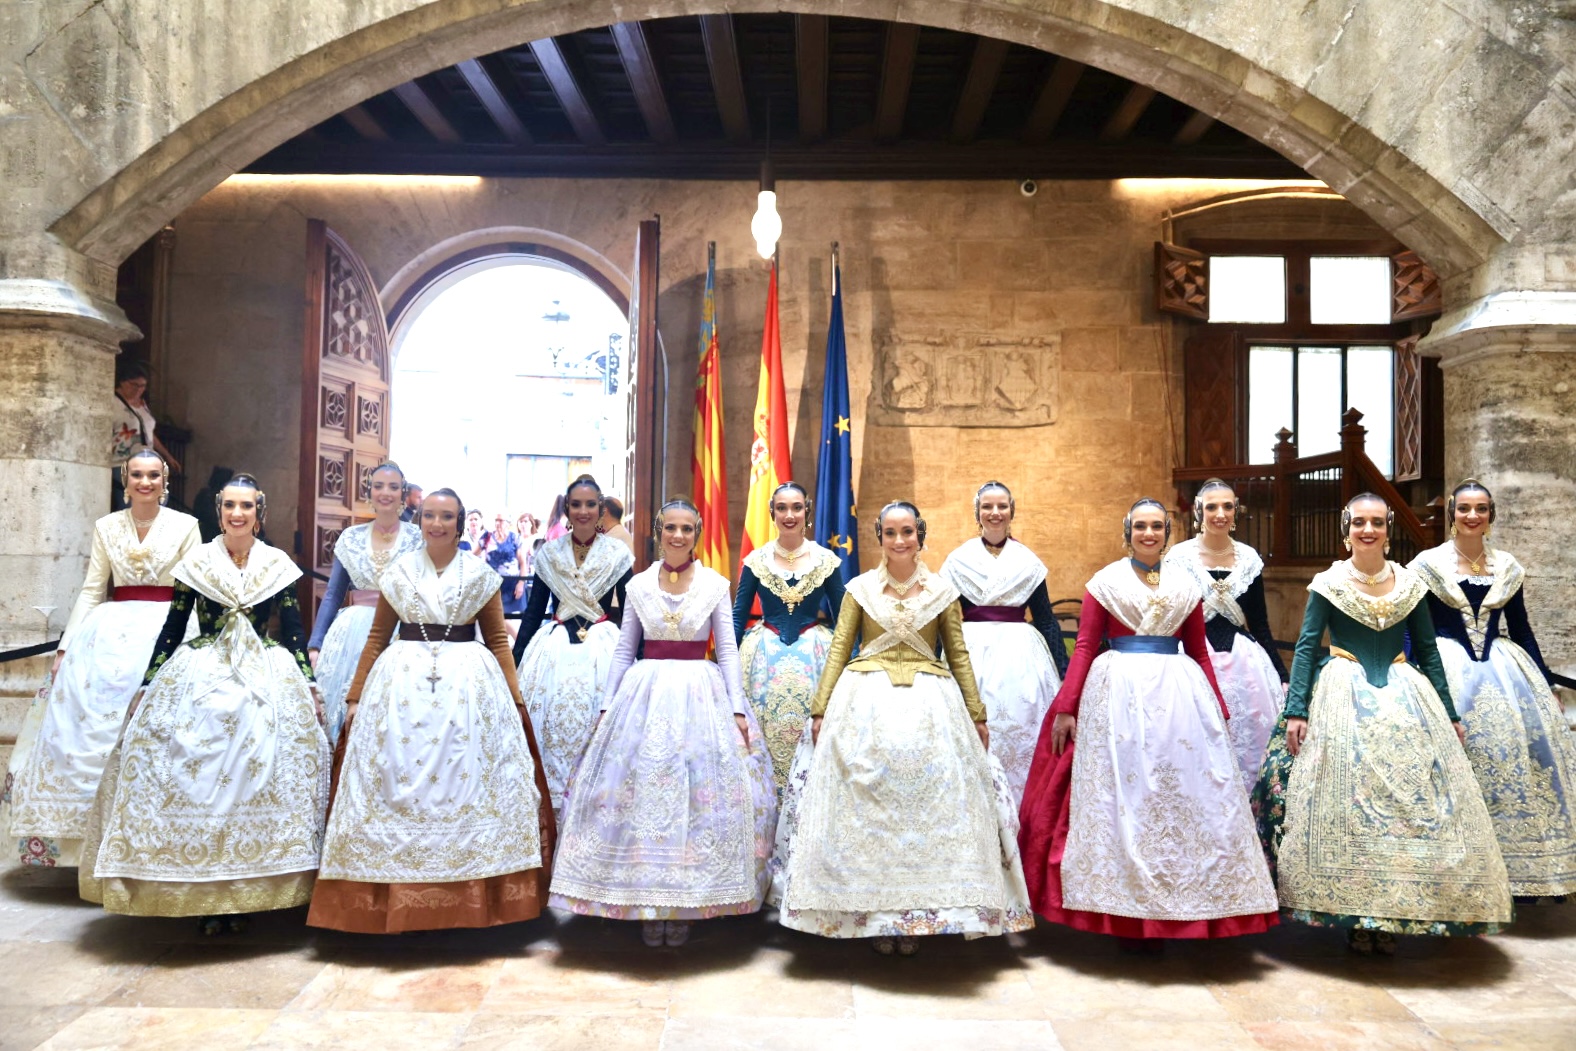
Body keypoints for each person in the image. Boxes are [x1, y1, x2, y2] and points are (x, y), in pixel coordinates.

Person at [1254, 492, 1512, 954]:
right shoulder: (1328, 583)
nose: (1367, 530)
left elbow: (1428, 651)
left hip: (1404, 693)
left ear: (1388, 529)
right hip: (1341, 691)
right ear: (1346, 529)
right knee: (1350, 802)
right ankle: (1356, 915)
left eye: (1376, 522)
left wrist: (1449, 714)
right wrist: (1296, 711)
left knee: (1408, 804)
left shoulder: (1410, 584)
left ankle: (1394, 913)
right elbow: (1308, 646)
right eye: (1359, 522)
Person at [772, 500, 1033, 956]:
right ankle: (872, 917)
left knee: (931, 804)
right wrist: (819, 709)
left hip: (932, 705)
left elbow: (958, 654)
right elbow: (839, 649)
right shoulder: (858, 589)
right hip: (864, 703)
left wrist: (977, 714)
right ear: (880, 537)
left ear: (920, 535)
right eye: (890, 533)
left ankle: (920, 916)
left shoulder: (943, 591)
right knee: (868, 807)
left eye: (907, 532)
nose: (899, 540)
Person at [1018, 497, 1279, 948]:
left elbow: (1198, 651)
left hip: (1178, 698)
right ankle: (1126, 914)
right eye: (1140, 526)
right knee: (1127, 797)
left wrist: (1218, 707)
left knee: (1177, 795)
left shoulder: (1186, 585)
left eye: (1157, 526)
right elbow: (1085, 647)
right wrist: (1067, 705)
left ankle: (1183, 903)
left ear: (1167, 534)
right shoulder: (1105, 582)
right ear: (1128, 533)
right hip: (1118, 694)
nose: (1149, 533)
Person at [79, 473, 330, 932]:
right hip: (203, 667)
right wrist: (147, 685)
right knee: (175, 757)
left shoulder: (277, 564)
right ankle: (200, 894)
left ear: (259, 512)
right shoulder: (196, 562)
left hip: (264, 670)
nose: (237, 513)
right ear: (219, 511)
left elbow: (294, 631)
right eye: (230, 505)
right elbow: (173, 628)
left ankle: (254, 888)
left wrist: (310, 686)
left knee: (281, 758)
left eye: (246, 506)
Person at [308, 488, 556, 933]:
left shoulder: (480, 575)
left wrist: (516, 700)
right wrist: (355, 696)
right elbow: (377, 637)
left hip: (468, 689)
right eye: (429, 516)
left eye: (446, 516)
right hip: (400, 686)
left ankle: (474, 894)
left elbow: (498, 642)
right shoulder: (399, 572)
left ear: (459, 523)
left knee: (469, 781)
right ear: (419, 520)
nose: (437, 524)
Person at [549, 498, 775, 948]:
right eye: (670, 527)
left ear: (697, 534)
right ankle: (645, 904)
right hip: (645, 694)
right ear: (658, 531)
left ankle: (685, 904)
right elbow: (624, 648)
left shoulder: (714, 584)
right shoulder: (638, 585)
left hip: (700, 694)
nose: (678, 535)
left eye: (687, 528)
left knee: (695, 797)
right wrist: (607, 705)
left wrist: (736, 708)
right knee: (642, 793)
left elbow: (727, 650)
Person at [5, 448, 200, 867]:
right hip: (109, 632)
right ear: (125, 480)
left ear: (165, 481)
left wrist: (202, 643)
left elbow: (195, 589)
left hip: (169, 628)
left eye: (153, 475)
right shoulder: (107, 526)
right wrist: (64, 648)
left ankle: (157, 841)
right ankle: (83, 845)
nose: (145, 482)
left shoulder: (186, 526)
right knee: (86, 722)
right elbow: (93, 589)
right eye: (136, 475)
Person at [1410, 479, 1576, 902]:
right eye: (1464, 508)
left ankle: (1517, 871)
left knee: (1510, 763)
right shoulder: (1427, 565)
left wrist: (1546, 684)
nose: (1472, 515)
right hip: (1446, 669)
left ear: (1491, 515)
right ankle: (1456, 869)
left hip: (1504, 675)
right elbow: (1414, 629)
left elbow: (1522, 629)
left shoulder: (1507, 567)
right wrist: (1409, 674)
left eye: (1481, 509)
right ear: (1452, 513)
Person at [510, 475, 634, 816]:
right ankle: (551, 815)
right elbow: (533, 613)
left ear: (601, 509)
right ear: (567, 508)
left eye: (590, 504)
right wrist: (513, 665)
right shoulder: (550, 554)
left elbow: (631, 614)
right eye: (576, 504)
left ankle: (597, 813)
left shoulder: (617, 554)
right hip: (553, 652)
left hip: (603, 650)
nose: (583, 511)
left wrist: (640, 661)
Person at [939, 481, 1066, 804]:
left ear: (1012, 511)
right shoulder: (958, 560)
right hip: (970, 653)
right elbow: (943, 621)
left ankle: (1024, 808)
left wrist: (1065, 674)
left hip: (1022, 658)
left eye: (1002, 506)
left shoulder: (1028, 562)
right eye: (987, 507)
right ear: (977, 513)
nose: (995, 513)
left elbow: (1046, 620)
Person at [1161, 479, 1288, 792]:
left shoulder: (1249, 559)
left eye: (1227, 506)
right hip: (1192, 661)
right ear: (1199, 511)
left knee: (1251, 741)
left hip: (1246, 665)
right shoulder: (1178, 558)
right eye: (1212, 506)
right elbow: (1170, 619)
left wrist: (1282, 674)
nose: (1220, 513)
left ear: (1236, 511)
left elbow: (1260, 623)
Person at [733, 481, 846, 789]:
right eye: (782, 508)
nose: (789, 515)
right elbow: (738, 615)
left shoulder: (826, 560)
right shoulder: (756, 561)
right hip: (762, 660)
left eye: (796, 508)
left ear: (806, 512)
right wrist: (726, 669)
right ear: (772, 513)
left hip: (815, 657)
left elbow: (845, 618)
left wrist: (850, 664)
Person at [306, 462, 423, 745]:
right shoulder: (351, 538)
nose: (386, 492)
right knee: (341, 716)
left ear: (402, 493)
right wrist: (315, 644)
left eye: (393, 487)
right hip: (350, 634)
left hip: (398, 632)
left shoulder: (418, 539)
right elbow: (333, 594)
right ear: (369, 492)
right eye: (379, 486)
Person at [110, 361, 182, 509]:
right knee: (132, 502)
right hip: (122, 460)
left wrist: (167, 456)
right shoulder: (113, 403)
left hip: (145, 459)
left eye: (142, 386)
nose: (138, 390)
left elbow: (148, 432)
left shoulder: (142, 404)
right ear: (122, 382)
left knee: (159, 497)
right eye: (134, 385)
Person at [481, 511, 528, 617]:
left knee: (512, 618)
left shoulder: (515, 538)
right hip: (494, 586)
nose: (498, 523)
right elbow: (472, 555)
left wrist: (521, 583)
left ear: (508, 523)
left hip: (512, 585)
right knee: (497, 617)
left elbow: (523, 563)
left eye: (501, 520)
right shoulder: (487, 537)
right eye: (496, 520)